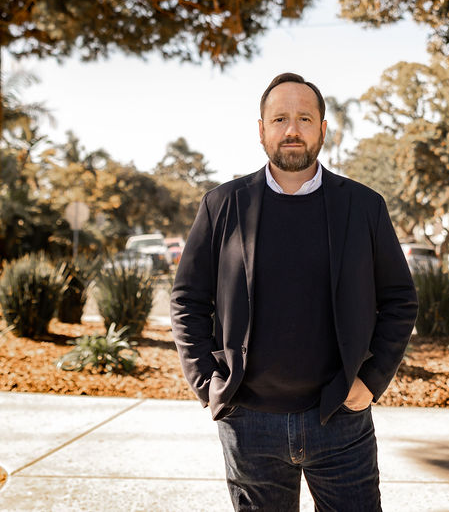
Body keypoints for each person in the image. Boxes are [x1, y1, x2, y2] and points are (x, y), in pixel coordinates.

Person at [170, 72, 418, 511]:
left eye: (305, 118)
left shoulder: (363, 206)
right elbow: (188, 300)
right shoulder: (222, 204)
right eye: (280, 118)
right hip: (249, 423)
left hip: (341, 418)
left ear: (323, 129)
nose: (292, 130)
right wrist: (207, 383)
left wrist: (371, 381)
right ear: (261, 129)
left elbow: (400, 299)